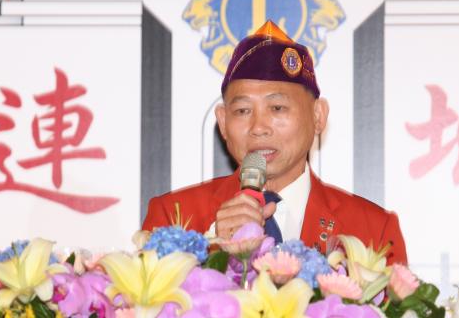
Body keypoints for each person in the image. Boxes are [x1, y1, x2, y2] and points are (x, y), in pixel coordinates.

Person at [142, 21, 407, 264]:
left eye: (277, 108)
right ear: (223, 121)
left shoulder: (373, 231)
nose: (259, 127)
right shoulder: (173, 219)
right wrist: (215, 251)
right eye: (243, 111)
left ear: (318, 116)